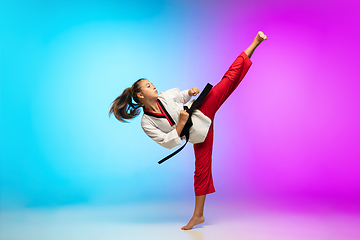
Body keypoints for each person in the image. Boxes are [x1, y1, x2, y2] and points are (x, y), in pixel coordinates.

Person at [109, 31, 268, 230]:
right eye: (149, 86)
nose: (154, 86)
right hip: (198, 134)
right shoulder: (146, 123)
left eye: (152, 83)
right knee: (201, 171)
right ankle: (198, 216)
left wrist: (190, 92)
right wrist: (181, 123)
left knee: (228, 80)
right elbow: (167, 141)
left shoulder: (165, 96)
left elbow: (181, 97)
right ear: (141, 95)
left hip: (202, 110)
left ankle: (254, 43)